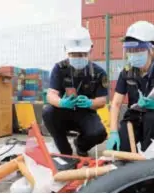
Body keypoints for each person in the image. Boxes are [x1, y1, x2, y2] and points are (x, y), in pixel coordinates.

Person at [106, 21, 154, 153]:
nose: (133, 54)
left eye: (139, 49)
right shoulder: (126, 72)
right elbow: (116, 104)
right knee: (120, 149)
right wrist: (113, 132)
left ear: (151, 49)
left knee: (152, 121)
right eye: (130, 50)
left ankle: (149, 150)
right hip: (133, 119)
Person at [42, 26, 108, 157]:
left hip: (86, 113)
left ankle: (81, 145)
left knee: (99, 133)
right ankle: (65, 150)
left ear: (90, 51)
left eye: (82, 54)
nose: (77, 57)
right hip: (64, 112)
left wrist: (90, 103)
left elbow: (103, 101)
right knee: (48, 112)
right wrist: (61, 102)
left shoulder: (99, 73)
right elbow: (51, 95)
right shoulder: (59, 69)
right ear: (66, 51)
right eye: (73, 54)